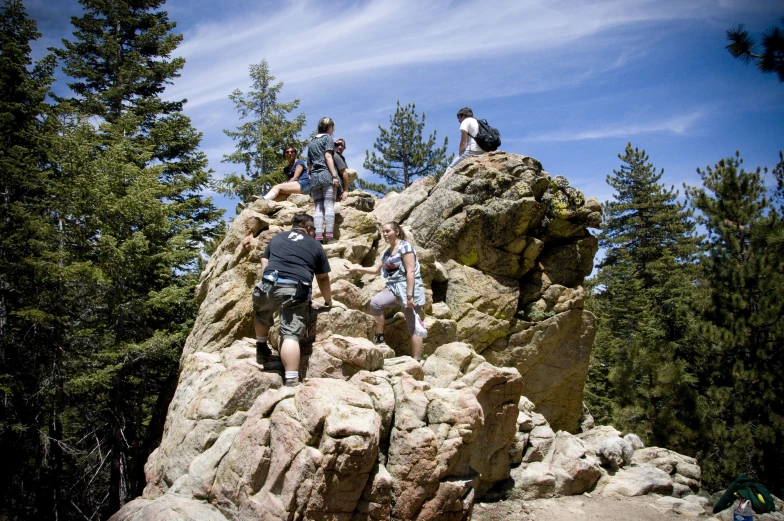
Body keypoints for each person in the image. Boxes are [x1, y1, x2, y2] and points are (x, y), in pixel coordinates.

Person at [243, 213, 332, 387]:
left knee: (262, 313)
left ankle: (261, 347)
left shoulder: (277, 238)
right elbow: (322, 278)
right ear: (309, 229)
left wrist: (265, 278)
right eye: (314, 230)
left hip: (267, 285)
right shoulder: (315, 245)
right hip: (295, 288)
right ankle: (291, 379)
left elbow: (264, 258)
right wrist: (328, 301)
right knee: (290, 335)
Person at [343, 221, 426, 361]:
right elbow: (376, 270)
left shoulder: (406, 247)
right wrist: (356, 268)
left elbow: (411, 272)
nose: (385, 234)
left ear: (397, 232)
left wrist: (410, 296)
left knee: (414, 325)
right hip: (394, 288)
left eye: (388, 231)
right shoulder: (387, 252)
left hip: (410, 289)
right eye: (383, 232)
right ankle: (379, 338)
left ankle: (417, 360)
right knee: (376, 303)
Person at [308, 117, 341, 242]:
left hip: (315, 177)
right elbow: (328, 156)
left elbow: (309, 164)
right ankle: (329, 236)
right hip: (326, 174)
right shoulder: (327, 138)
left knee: (318, 208)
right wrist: (334, 176)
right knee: (329, 206)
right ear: (329, 126)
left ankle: (318, 236)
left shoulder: (311, 142)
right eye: (332, 127)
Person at [444, 107, 484, 174]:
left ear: (463, 116)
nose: (458, 121)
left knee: (450, 168)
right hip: (483, 149)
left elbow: (463, 142)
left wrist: (461, 154)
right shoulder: (478, 122)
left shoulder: (466, 121)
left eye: (459, 118)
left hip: (473, 150)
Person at [332, 138, 349, 203]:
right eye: (336, 144)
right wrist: (346, 190)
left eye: (341, 144)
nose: (339, 146)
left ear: (344, 147)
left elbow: (346, 172)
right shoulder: (332, 155)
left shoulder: (342, 158)